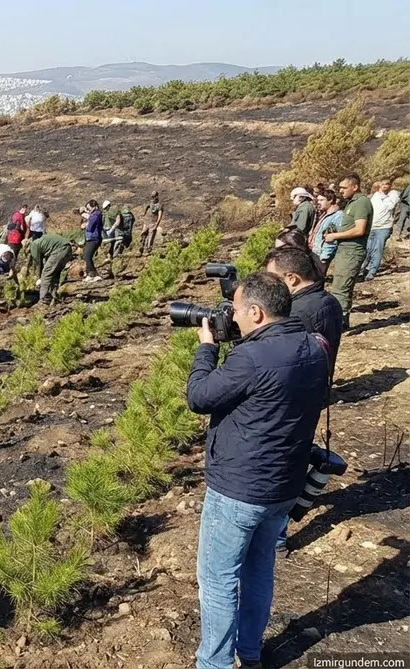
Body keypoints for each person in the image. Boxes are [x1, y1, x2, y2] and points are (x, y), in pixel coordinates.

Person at [186, 272, 329, 669]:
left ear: (256, 311)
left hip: (239, 488)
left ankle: (212, 664)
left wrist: (206, 349)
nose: (231, 317)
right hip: (283, 485)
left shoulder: (251, 357)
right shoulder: (315, 346)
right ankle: (249, 653)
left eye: (235, 309)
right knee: (259, 571)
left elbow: (199, 397)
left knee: (218, 579)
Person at [265, 246, 342, 375]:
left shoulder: (297, 313)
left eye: (274, 279)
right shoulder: (329, 299)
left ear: (292, 278)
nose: (269, 284)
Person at [324, 174, 372, 327]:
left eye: (344, 187)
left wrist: (334, 236)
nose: (340, 191)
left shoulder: (361, 203)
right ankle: (342, 323)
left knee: (340, 289)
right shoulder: (351, 203)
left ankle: (338, 325)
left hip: (352, 252)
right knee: (341, 286)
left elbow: (359, 230)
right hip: (345, 251)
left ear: (355, 187)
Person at [27, 232, 76, 306]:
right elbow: (48, 259)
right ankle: (54, 296)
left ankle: (44, 298)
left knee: (46, 273)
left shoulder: (34, 244)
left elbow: (38, 263)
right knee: (55, 273)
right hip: (67, 250)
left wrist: (39, 277)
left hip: (60, 250)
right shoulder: (44, 241)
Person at [365, 177, 398, 281]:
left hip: (384, 227)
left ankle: (372, 272)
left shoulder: (393, 195)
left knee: (378, 249)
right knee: (368, 248)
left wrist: (381, 195)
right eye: (382, 184)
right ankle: (363, 269)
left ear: (390, 185)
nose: (385, 186)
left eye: (387, 184)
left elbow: (389, 206)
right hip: (372, 226)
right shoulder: (374, 196)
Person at [310, 190, 342, 271]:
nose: (318, 202)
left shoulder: (338, 216)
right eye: (318, 200)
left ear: (330, 200)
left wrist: (324, 257)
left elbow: (332, 239)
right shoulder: (325, 214)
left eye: (321, 200)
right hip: (315, 252)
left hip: (321, 256)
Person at [81, 200, 104, 282]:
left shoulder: (96, 214)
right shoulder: (93, 214)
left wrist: (85, 225)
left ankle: (94, 274)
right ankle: (90, 273)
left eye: (88, 208)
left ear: (94, 206)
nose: (88, 209)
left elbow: (90, 226)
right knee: (85, 255)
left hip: (94, 238)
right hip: (90, 238)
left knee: (87, 256)